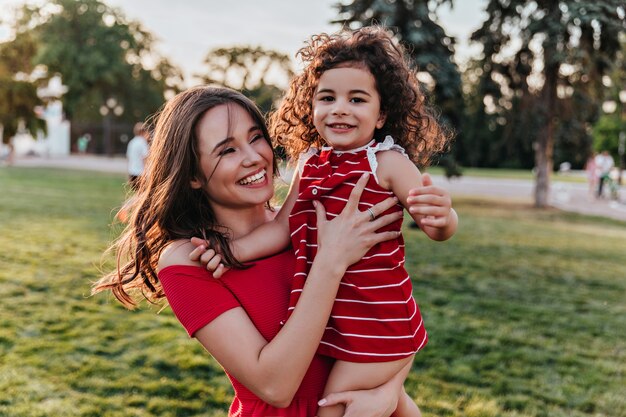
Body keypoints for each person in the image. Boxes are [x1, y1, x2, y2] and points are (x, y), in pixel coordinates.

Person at [93, 86, 435, 416]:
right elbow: (275, 386)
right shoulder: (188, 260)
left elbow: (390, 309)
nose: (254, 157)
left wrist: (389, 391)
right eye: (227, 150)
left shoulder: (311, 219)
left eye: (256, 137)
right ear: (193, 175)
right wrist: (331, 262)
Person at [193, 26, 458, 417]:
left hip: (376, 321)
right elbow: (284, 228)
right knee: (385, 404)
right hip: (340, 326)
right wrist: (228, 251)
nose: (340, 108)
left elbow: (435, 225)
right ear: (311, 106)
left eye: (357, 99)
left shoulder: (387, 162)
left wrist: (443, 215)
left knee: (334, 407)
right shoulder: (310, 163)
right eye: (327, 97)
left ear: (381, 113)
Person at [126, 122, 150, 191]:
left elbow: (129, 158)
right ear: (143, 131)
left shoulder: (131, 142)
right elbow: (145, 158)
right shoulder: (142, 142)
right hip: (141, 173)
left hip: (132, 172)